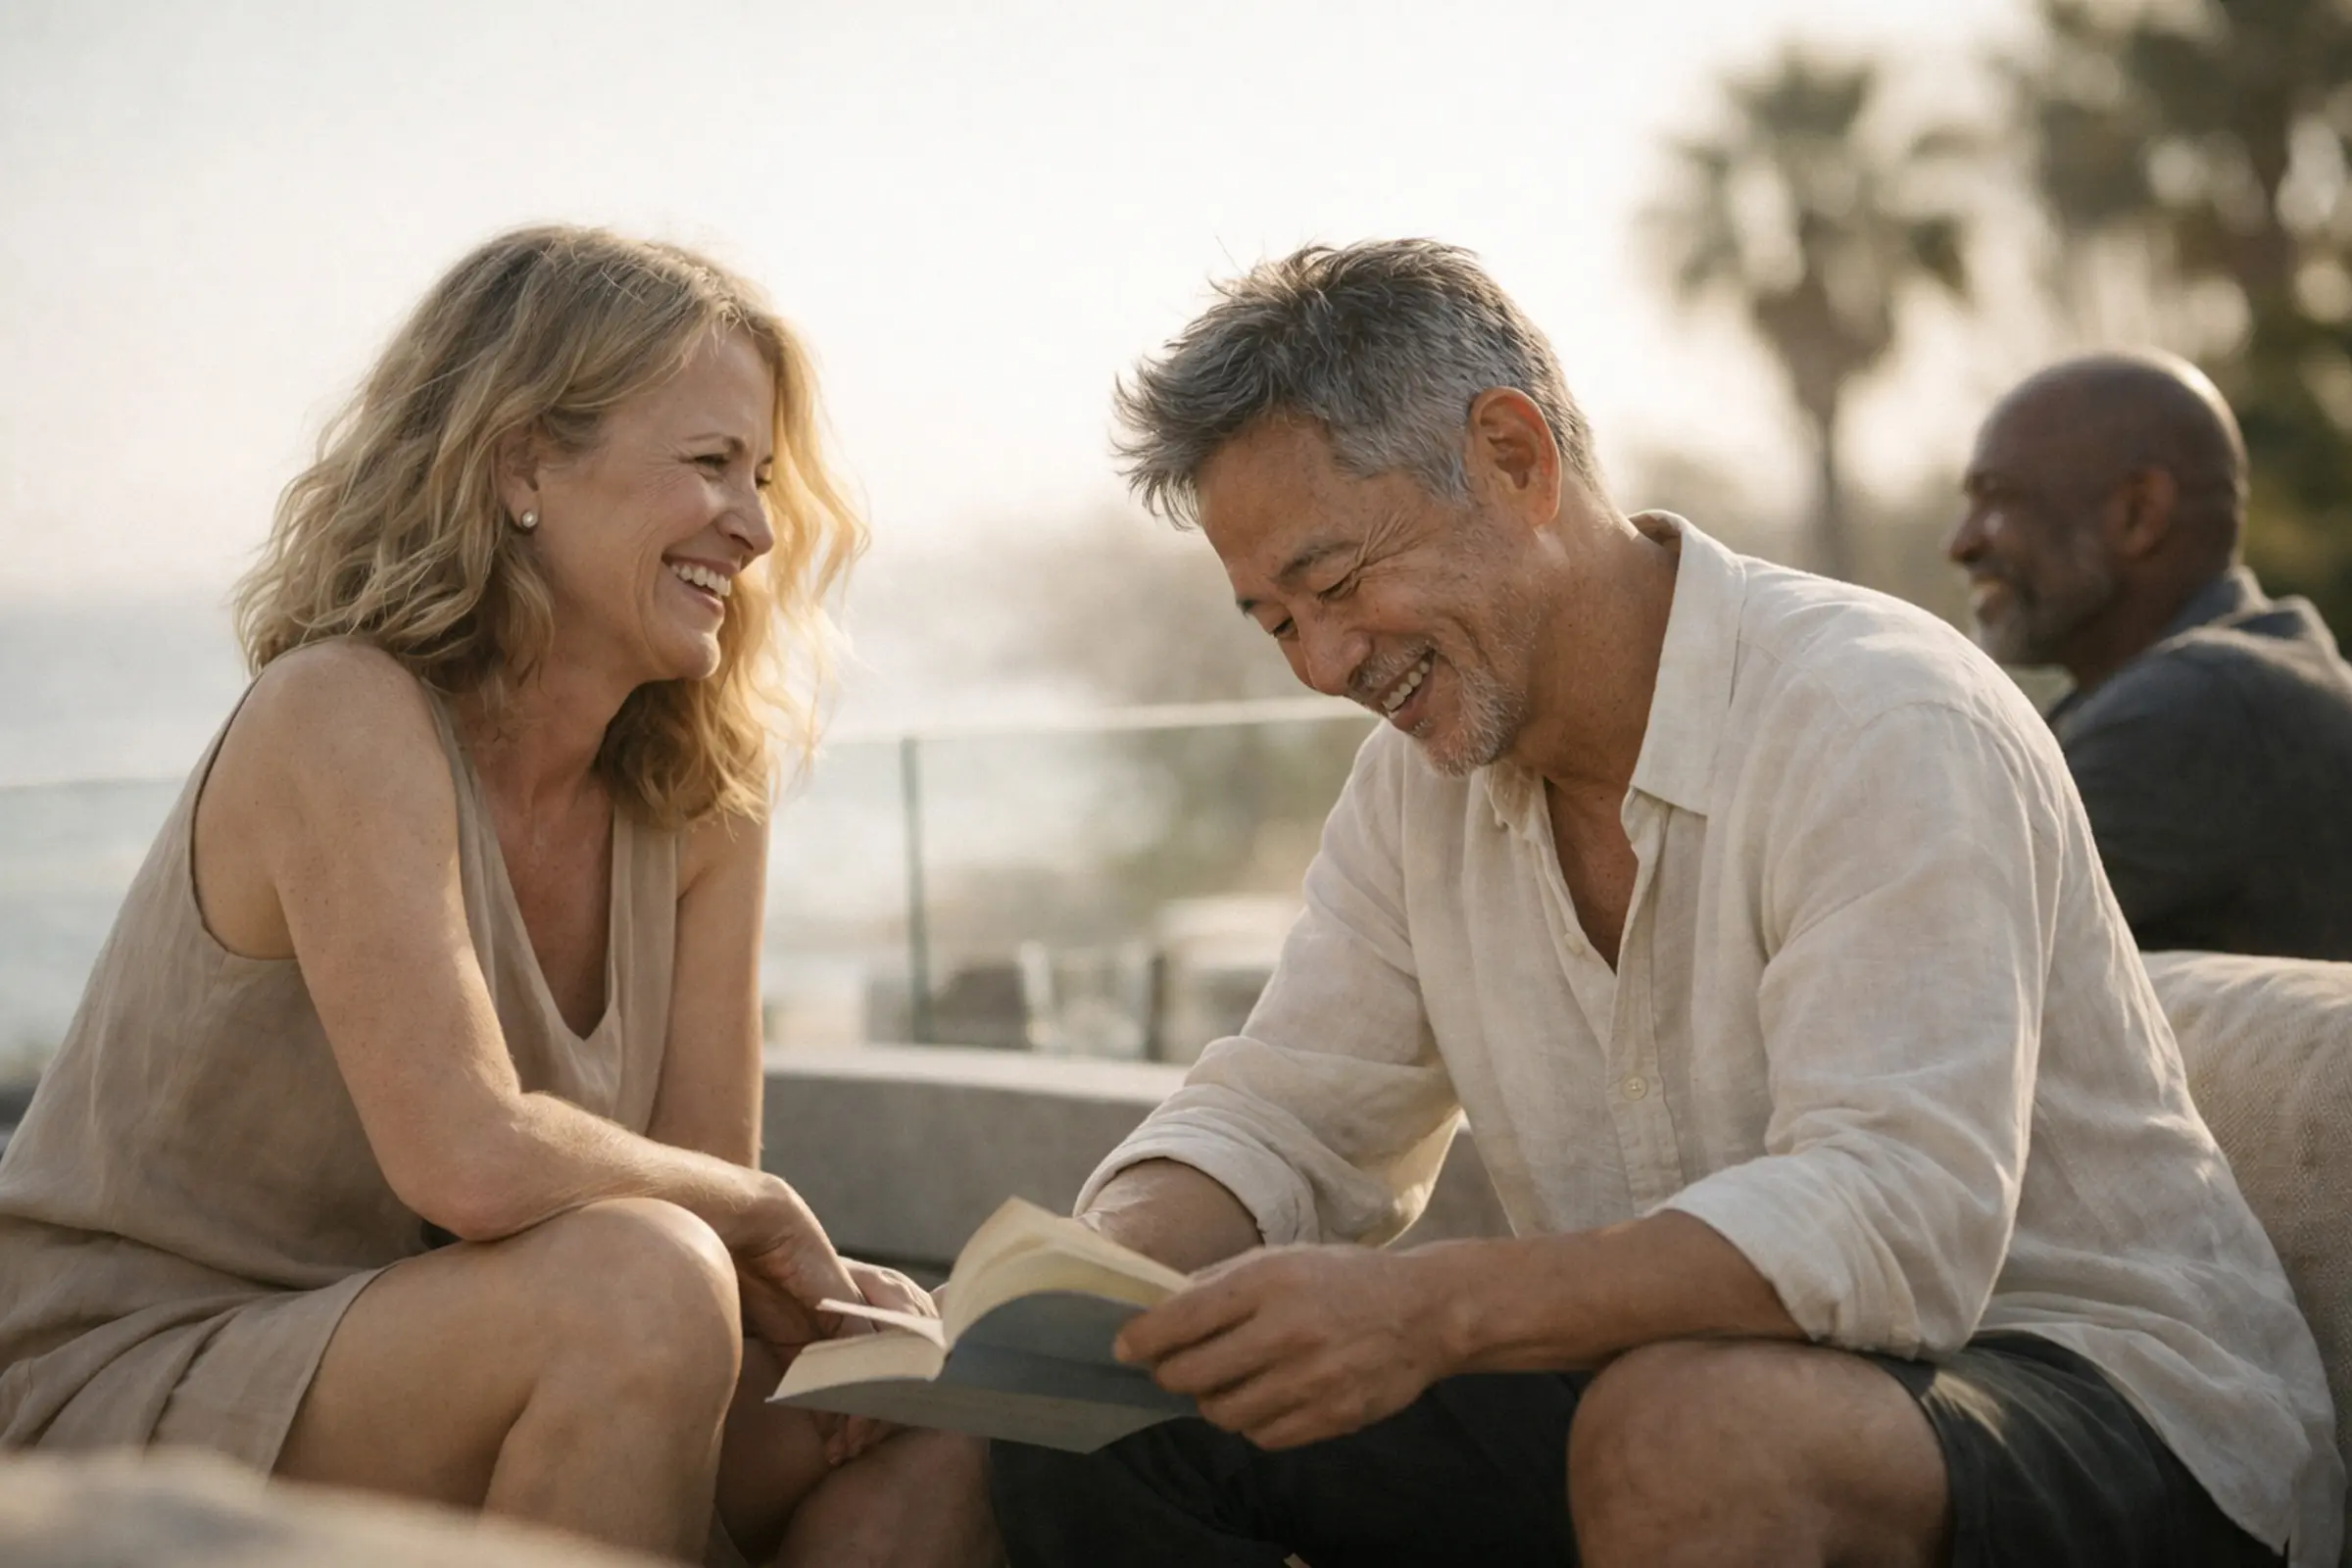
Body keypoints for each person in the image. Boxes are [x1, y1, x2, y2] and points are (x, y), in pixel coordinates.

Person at [986, 243, 2340, 1567]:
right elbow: (1284, 1114)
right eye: (1275, 622)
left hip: (2103, 1405)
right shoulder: (1413, 793)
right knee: (1077, 1429)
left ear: (1515, 458)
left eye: (1337, 583)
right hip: (1685, 1384)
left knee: (1687, 1430)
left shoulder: (1875, 713)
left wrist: (1430, 1309)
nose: (1327, 661)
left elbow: (1895, 1224)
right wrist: (1083, 1290)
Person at [0, 226, 995, 1568]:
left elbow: (709, 1188)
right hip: (135, 1384)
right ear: (523, 464)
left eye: (759, 479)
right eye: (709, 466)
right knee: (640, 1288)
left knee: (932, 1419)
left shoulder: (705, 794)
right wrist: (756, 1215)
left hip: (470, 1354)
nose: (756, 528)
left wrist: (841, 1325)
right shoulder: (337, 714)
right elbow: (473, 1159)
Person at [1949, 351, 2352, 959]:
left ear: (2139, 514)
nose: (1963, 543)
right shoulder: (2229, 676)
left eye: (1997, 498)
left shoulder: (2204, 706)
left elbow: (1925, 951)